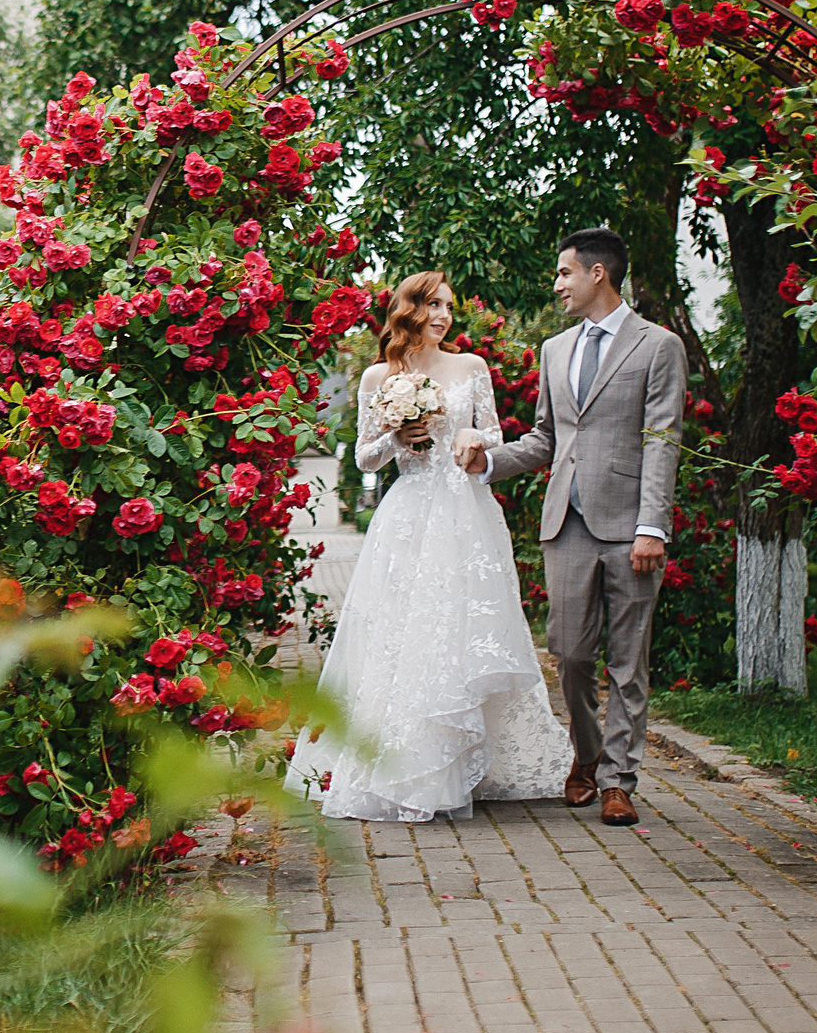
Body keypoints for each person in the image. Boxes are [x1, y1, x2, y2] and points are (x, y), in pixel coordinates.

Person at [286, 271, 567, 822]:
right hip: (410, 512)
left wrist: (473, 438)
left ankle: (472, 762)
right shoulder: (377, 376)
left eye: (448, 307)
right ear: (409, 310)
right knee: (402, 631)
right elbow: (365, 458)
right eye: (432, 305)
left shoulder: (471, 368)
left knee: (464, 626)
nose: (442, 315)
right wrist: (396, 437)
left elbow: (494, 435)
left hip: (466, 511)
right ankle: (405, 762)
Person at [460, 227, 686, 827]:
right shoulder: (555, 350)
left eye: (564, 273)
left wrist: (652, 526)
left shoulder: (658, 346)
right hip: (567, 523)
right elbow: (546, 439)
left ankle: (617, 779)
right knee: (571, 654)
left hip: (630, 525)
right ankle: (585, 756)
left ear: (597, 274)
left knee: (627, 660)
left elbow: (663, 440)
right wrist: (489, 458)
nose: (557, 284)